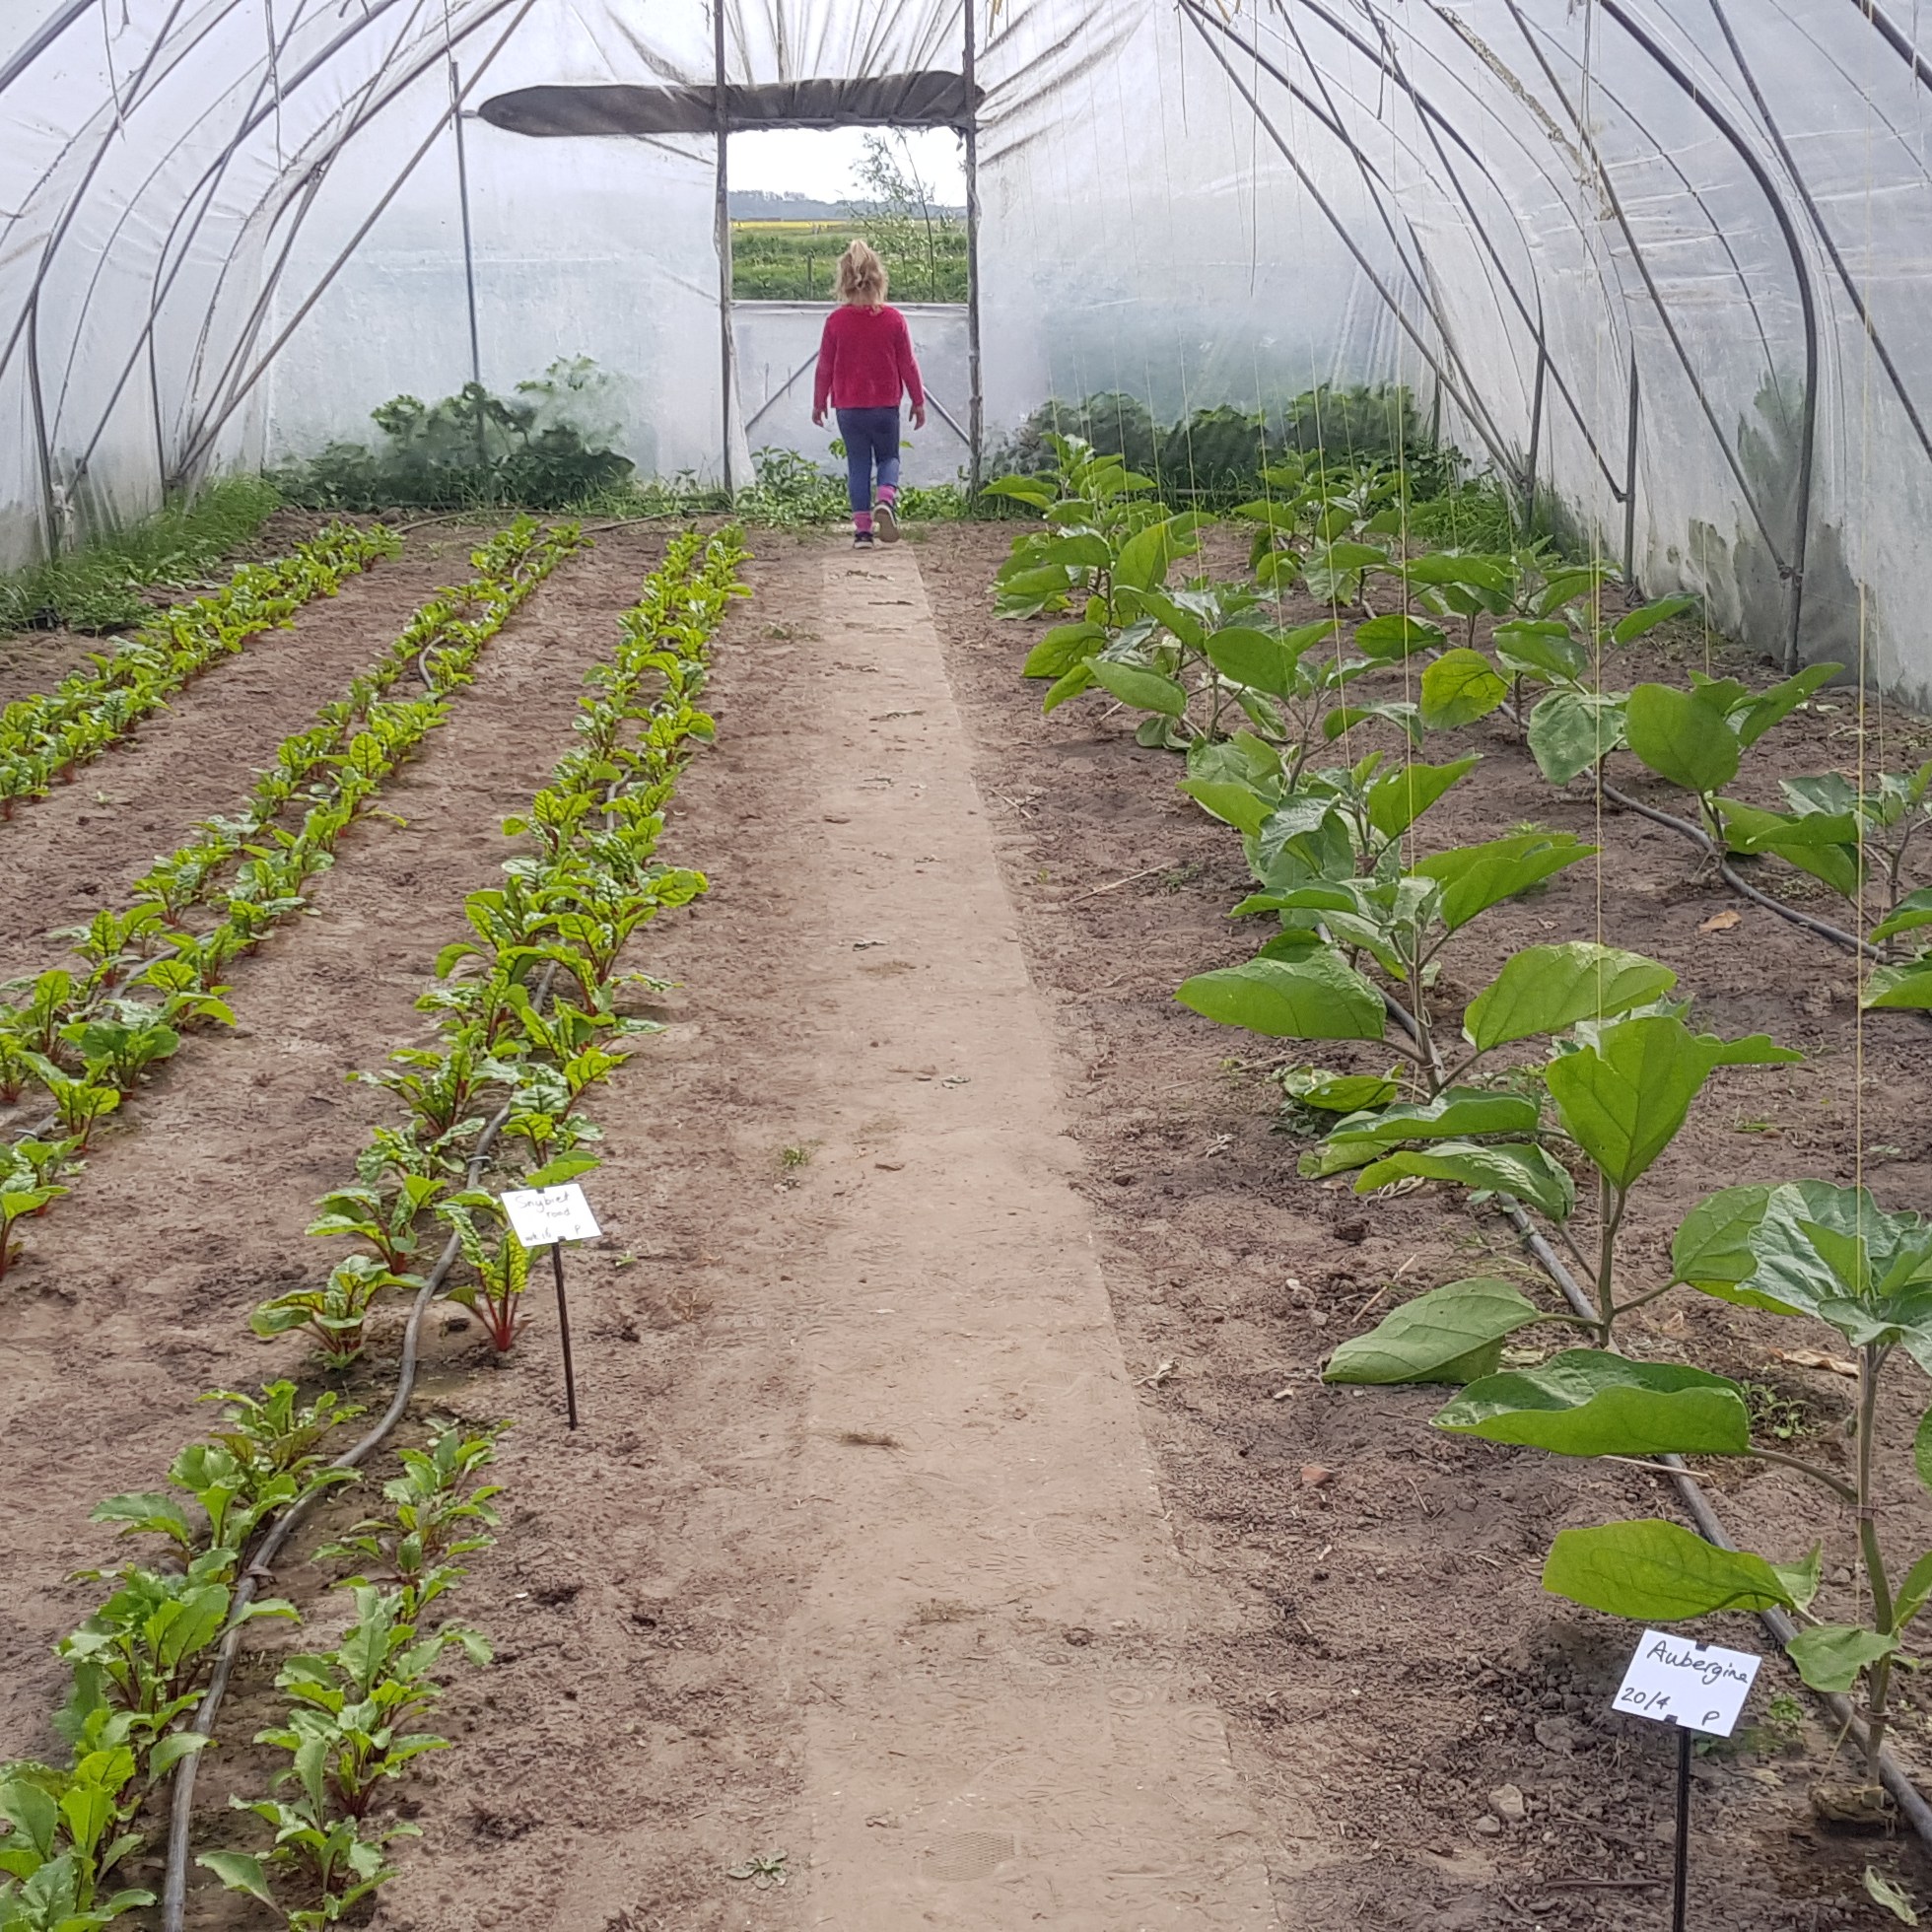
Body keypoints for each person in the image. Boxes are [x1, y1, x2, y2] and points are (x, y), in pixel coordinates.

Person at [812, 240, 928, 548]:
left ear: (844, 282)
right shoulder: (893, 320)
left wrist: (818, 402)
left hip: (848, 408)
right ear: (879, 279)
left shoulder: (835, 322)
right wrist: (918, 401)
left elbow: (824, 366)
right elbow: (908, 364)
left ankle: (863, 532)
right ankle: (886, 500)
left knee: (858, 463)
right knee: (889, 456)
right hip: (885, 405)